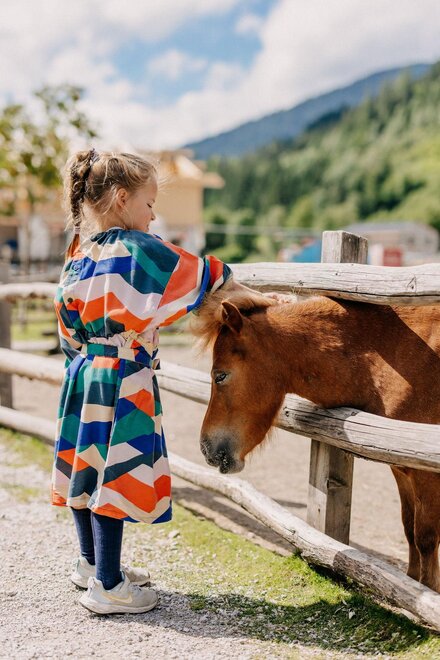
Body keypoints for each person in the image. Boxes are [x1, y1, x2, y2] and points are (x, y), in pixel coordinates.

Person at [52, 149, 281, 615]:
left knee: (85, 467)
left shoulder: (78, 255)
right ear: (122, 198)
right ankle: (109, 587)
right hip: (123, 379)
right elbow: (208, 278)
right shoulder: (140, 249)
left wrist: (86, 364)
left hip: (82, 375)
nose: (153, 215)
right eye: (150, 203)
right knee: (115, 474)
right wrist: (265, 300)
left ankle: (90, 564)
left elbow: (66, 330)